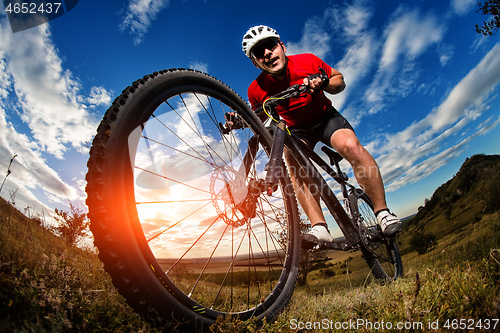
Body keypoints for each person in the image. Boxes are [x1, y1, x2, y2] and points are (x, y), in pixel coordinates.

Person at [239, 25, 402, 246]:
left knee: (351, 146)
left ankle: (382, 212)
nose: (267, 53)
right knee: (295, 166)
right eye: (259, 52)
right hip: (296, 130)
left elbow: (339, 80)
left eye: (270, 46)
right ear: (255, 62)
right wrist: (238, 119)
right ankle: (320, 228)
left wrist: (324, 82)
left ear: (282, 47)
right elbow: (259, 118)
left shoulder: (307, 61)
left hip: (325, 118)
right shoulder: (255, 90)